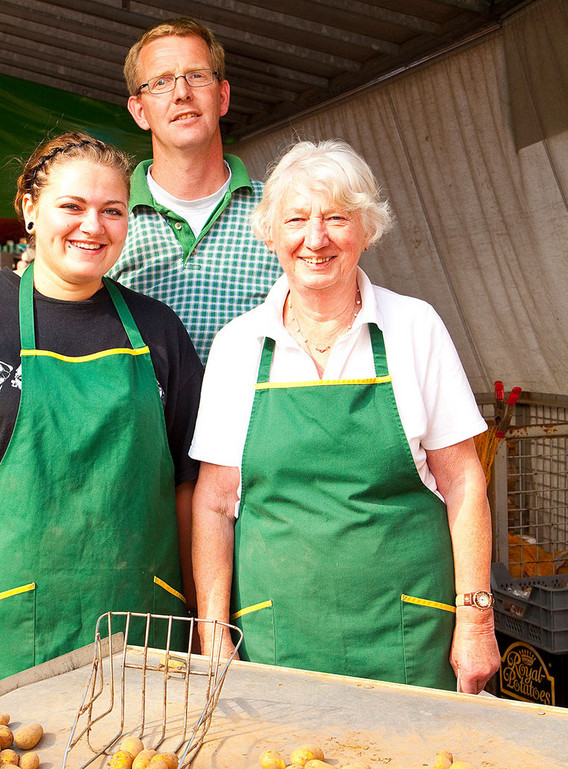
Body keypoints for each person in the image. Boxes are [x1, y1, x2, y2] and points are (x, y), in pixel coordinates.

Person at [0, 132, 204, 718]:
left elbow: (187, 488)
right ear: (28, 207)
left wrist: (200, 617)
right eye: (71, 207)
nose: (92, 227)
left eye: (112, 210)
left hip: (139, 642)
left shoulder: (159, 331)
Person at [190, 140, 500, 694]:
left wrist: (477, 618)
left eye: (336, 217)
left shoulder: (414, 327)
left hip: (409, 635)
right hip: (276, 637)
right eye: (297, 219)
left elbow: (464, 481)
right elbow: (213, 503)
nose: (316, 239)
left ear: (366, 229)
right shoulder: (236, 346)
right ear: (271, 233)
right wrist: (213, 630)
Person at [109, 18, 282, 361]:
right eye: (161, 82)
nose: (182, 92)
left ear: (222, 97)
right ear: (139, 111)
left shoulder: (284, 211)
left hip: (254, 414)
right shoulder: (107, 218)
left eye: (197, 76)